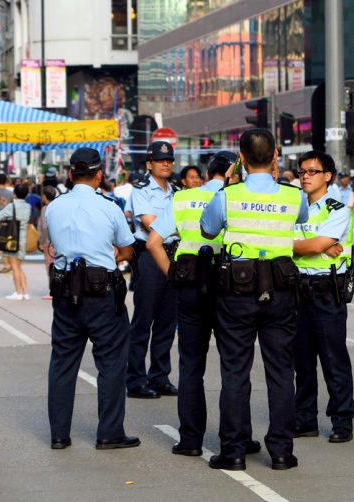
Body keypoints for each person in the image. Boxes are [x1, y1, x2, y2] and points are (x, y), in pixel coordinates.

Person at [200, 128, 309, 471]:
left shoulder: (227, 195)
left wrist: (229, 184)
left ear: (241, 158)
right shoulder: (294, 196)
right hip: (280, 290)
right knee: (281, 371)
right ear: (276, 156)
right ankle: (282, 452)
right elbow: (302, 218)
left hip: (237, 290)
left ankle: (233, 451)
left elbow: (207, 230)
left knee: (235, 370)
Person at [147, 150, 263, 457]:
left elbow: (153, 242)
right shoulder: (239, 198)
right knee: (235, 366)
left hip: (190, 285)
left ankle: (190, 440)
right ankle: (238, 438)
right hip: (231, 286)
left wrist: (173, 276)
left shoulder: (183, 198)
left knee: (190, 365)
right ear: (234, 173)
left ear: (208, 173)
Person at [45, 147, 139, 451]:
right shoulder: (109, 207)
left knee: (62, 363)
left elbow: (50, 246)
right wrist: (109, 255)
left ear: (70, 174)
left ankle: (59, 435)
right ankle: (109, 433)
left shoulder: (53, 208)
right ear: (99, 175)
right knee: (111, 363)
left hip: (65, 292)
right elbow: (127, 249)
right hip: (102, 294)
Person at [292, 150, 354, 444]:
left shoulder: (337, 209)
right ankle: (305, 419)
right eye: (302, 171)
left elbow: (317, 245)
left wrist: (312, 244)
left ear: (327, 176)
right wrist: (314, 244)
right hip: (297, 288)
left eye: (312, 171)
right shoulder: (295, 206)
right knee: (302, 359)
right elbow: (313, 244)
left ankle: (342, 421)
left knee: (333, 358)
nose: (305, 176)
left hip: (326, 289)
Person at [126, 141, 180, 399]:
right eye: (160, 160)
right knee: (143, 320)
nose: (166, 164)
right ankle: (135, 379)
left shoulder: (176, 191)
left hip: (172, 255)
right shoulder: (141, 190)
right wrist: (178, 228)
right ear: (149, 164)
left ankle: (159, 377)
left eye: (169, 160)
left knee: (167, 321)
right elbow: (150, 223)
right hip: (149, 256)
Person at [0, 184, 31, 300]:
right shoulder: (28, 206)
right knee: (19, 267)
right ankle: (25, 293)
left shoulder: (11, 206)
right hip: (23, 239)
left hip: (12, 239)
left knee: (14, 267)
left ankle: (18, 293)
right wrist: (7, 205)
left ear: (14, 194)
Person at [39, 186, 58, 300]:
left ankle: (53, 290)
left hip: (48, 241)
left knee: (50, 265)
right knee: (58, 264)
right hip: (59, 240)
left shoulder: (45, 208)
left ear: (45, 196)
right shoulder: (58, 206)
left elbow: (44, 227)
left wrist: (41, 241)